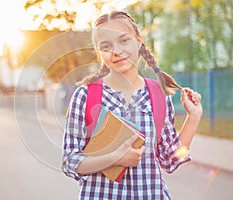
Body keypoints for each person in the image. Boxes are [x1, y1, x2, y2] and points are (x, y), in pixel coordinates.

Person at [62, 10, 203, 199]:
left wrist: (193, 117)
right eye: (106, 46)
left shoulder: (159, 95)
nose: (116, 51)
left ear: (138, 41)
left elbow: (170, 159)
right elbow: (70, 162)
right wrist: (115, 158)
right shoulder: (85, 96)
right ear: (99, 53)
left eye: (124, 40)